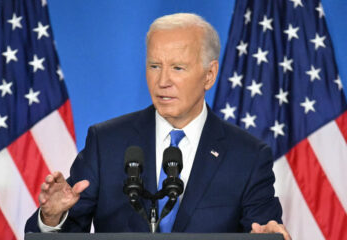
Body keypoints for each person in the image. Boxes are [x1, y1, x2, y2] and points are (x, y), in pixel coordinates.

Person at [25, 13, 291, 239]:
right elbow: (63, 231)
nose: (163, 81)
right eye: (154, 65)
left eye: (177, 68)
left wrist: (268, 236)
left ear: (209, 75)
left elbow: (263, 228)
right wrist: (51, 218)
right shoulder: (106, 143)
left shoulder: (247, 156)